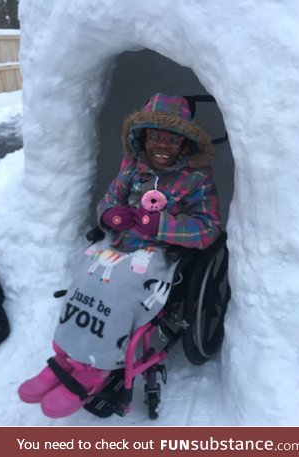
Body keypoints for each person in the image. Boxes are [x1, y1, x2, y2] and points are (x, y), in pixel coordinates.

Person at [18, 93, 220, 418]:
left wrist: (159, 224)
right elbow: (108, 201)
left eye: (172, 139)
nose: (162, 146)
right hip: (121, 243)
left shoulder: (196, 179)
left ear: (184, 144)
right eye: (155, 137)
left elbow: (207, 229)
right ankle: (66, 357)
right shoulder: (132, 166)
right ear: (144, 137)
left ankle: (95, 368)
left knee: (119, 287)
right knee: (84, 273)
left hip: (162, 253)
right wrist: (111, 215)